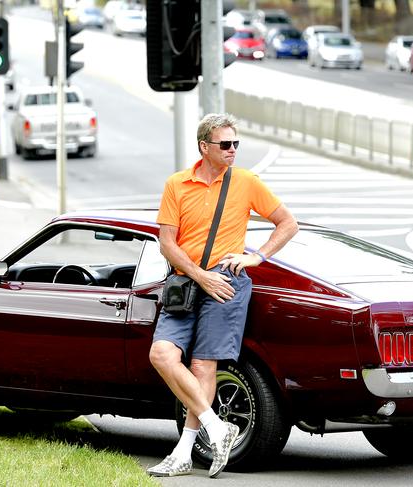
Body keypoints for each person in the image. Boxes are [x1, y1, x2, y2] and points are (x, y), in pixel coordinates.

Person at [147, 113, 298, 478]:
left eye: (236, 144)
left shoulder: (245, 182)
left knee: (203, 366)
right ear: (204, 147)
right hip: (187, 283)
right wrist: (200, 276)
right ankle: (217, 427)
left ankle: (183, 452)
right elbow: (167, 244)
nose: (232, 150)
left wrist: (255, 256)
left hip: (227, 282)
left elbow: (288, 223)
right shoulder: (177, 185)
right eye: (225, 144)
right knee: (162, 354)